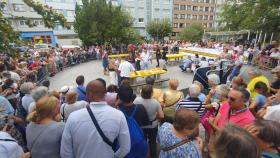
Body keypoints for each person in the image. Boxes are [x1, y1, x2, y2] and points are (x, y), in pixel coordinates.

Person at [60, 80, 130, 158]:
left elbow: (65, 153)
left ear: (88, 95)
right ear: (105, 93)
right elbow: (125, 148)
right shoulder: (119, 115)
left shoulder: (73, 117)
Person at [117, 85, 149, 157]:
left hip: (124, 144)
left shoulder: (118, 112)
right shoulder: (140, 108)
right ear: (132, 95)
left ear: (119, 98)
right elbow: (146, 122)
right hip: (139, 141)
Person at [134, 85, 164, 158]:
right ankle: (153, 156)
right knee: (153, 142)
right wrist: (156, 117)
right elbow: (162, 116)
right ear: (151, 93)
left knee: (142, 141)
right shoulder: (155, 102)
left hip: (141, 125)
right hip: (152, 125)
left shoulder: (137, 100)